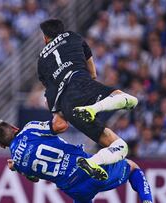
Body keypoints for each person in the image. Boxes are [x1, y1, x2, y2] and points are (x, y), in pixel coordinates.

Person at [37, 19, 138, 179]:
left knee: (115, 143)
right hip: (80, 81)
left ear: (45, 38)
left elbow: (59, 122)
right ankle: (93, 109)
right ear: (61, 31)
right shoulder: (72, 36)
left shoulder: (41, 61)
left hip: (65, 106)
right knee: (130, 100)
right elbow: (93, 73)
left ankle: (93, 162)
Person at [0, 120, 153, 203]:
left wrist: (16, 168)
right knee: (132, 167)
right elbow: (60, 125)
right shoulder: (30, 128)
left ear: (2, 145)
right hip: (83, 169)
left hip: (72, 188)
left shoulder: (17, 162)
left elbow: (34, 178)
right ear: (14, 127)